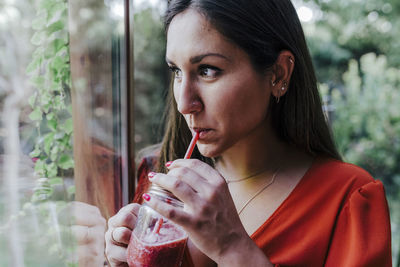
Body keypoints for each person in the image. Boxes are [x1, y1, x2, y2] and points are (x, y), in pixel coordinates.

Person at [105, 0, 392, 266]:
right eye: (176, 70)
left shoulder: (348, 199)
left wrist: (233, 248)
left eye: (207, 70)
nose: (183, 104)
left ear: (278, 74)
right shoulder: (159, 179)